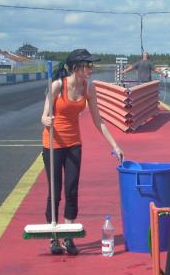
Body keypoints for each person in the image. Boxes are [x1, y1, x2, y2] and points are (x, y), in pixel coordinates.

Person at [41, 48, 125, 255]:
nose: (91, 69)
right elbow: (43, 115)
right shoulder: (57, 86)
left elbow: (98, 120)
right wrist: (46, 120)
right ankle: (54, 238)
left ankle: (68, 235)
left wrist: (115, 145)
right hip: (53, 143)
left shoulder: (89, 89)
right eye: (87, 65)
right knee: (55, 191)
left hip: (73, 143)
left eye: (91, 65)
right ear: (76, 67)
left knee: (71, 190)